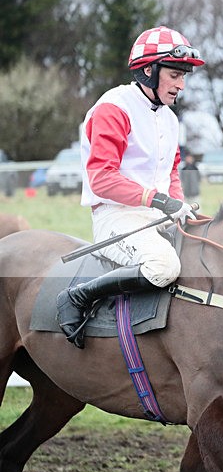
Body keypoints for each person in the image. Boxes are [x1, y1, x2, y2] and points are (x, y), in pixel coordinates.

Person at [57, 25, 203, 348]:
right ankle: (77, 297)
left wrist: (178, 205)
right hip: (116, 219)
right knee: (165, 267)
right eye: (175, 75)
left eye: (184, 77)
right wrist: (160, 201)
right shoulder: (114, 108)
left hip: (154, 217)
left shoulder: (169, 118)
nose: (181, 85)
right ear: (149, 70)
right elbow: (102, 178)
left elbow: (171, 171)